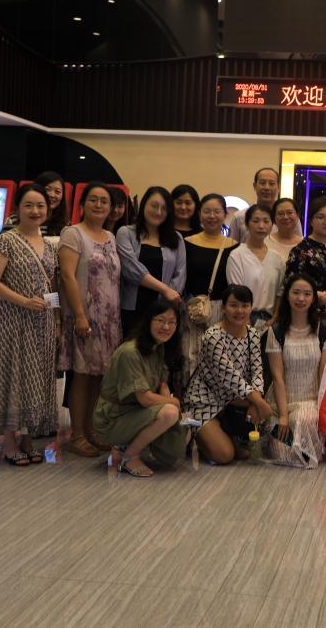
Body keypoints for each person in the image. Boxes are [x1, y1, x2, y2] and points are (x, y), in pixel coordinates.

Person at [0, 184, 59, 466]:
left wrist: (56, 318)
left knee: (36, 379)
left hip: (42, 323)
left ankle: (28, 438)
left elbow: (52, 285)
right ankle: (9, 441)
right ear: (17, 208)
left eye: (40, 205)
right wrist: (24, 301)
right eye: (29, 205)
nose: (35, 211)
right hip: (12, 321)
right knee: (12, 377)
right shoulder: (6, 240)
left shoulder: (49, 244)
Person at [58, 183, 122, 458]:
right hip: (85, 316)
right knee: (82, 376)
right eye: (93, 200)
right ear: (82, 204)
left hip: (109, 319)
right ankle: (77, 435)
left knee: (99, 376)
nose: (98, 205)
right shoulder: (73, 233)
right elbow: (67, 275)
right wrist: (80, 314)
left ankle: (92, 430)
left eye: (104, 201)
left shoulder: (111, 236)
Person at [94, 298, 188, 477]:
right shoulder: (130, 352)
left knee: (185, 424)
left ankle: (123, 446)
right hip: (113, 418)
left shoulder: (158, 347)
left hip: (134, 412)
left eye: (172, 322)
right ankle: (129, 456)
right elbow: (145, 398)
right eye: (161, 320)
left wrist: (175, 408)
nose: (166, 327)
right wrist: (173, 403)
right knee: (169, 413)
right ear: (148, 321)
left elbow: (162, 385)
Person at [183, 285, 273, 464]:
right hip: (204, 401)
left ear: (251, 308)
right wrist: (259, 402)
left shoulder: (253, 334)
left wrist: (256, 400)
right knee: (224, 455)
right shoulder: (213, 336)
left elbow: (257, 371)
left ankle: (224, 432)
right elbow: (230, 377)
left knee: (240, 449)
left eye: (245, 305)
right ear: (223, 308)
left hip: (233, 401)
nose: (240, 311)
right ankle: (187, 423)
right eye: (233, 305)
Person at [265, 273, 326, 468]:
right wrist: (283, 415)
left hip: (311, 404)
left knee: (302, 419)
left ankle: (311, 440)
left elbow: (324, 375)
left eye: (307, 294)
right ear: (287, 296)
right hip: (282, 404)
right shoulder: (276, 331)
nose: (301, 298)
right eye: (296, 293)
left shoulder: (324, 329)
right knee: (282, 455)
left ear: (313, 299)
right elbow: (277, 377)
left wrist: (323, 411)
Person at [116, 186, 185, 337]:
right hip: (133, 309)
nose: (158, 212)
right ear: (144, 205)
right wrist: (165, 289)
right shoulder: (126, 233)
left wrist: (167, 301)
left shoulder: (177, 238)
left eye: (164, 208)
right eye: (154, 206)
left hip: (163, 311)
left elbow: (180, 274)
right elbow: (131, 269)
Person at [182, 194, 238, 376]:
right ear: (199, 214)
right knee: (190, 358)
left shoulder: (234, 246)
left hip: (221, 311)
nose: (212, 216)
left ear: (225, 215)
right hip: (193, 309)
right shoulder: (186, 243)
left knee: (219, 360)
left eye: (217, 211)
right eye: (207, 211)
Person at [226, 204, 284, 332]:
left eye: (266, 221)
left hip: (270, 321)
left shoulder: (277, 258)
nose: (261, 226)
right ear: (247, 225)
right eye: (256, 221)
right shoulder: (237, 255)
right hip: (243, 319)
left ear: (272, 225)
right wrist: (246, 323)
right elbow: (235, 291)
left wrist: (275, 317)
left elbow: (280, 291)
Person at [287, 196, 326, 302]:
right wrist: (314, 296)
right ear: (311, 221)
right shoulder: (300, 251)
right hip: (314, 308)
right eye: (320, 217)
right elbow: (291, 286)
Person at [227, 167, 301, 242]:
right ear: (254, 186)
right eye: (262, 183)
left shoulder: (289, 218)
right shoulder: (240, 217)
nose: (267, 187)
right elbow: (231, 246)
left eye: (271, 183)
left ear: (278, 187)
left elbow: (298, 244)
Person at [36, 171, 69, 237]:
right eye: (47, 189)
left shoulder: (66, 225)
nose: (52, 195)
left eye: (57, 191)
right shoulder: (18, 220)